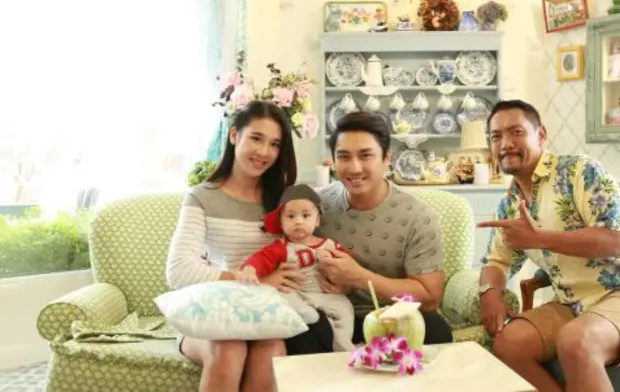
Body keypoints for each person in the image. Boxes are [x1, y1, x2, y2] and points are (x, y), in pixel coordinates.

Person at [477, 100, 620, 392]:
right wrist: (490, 293)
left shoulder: (580, 171)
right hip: (573, 306)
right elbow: (496, 261)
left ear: (541, 135)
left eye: (517, 132)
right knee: (509, 344)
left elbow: (615, 240)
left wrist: (539, 238)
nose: (506, 144)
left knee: (576, 340)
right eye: (496, 136)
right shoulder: (509, 203)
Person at [165, 101, 334, 392]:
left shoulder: (285, 202)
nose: (264, 152)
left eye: (275, 144)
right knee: (228, 350)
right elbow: (178, 271)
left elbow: (311, 246)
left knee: (272, 351)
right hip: (212, 310)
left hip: (265, 314)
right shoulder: (202, 197)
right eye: (256, 138)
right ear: (234, 135)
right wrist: (254, 281)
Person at [315, 111, 454, 345]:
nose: (354, 168)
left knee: (435, 328)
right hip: (330, 315)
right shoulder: (315, 208)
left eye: (366, 155)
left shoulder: (417, 216)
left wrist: (360, 278)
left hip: (393, 317)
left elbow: (430, 298)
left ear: (386, 157)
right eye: (344, 157)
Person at [235, 184, 355, 352]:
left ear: (317, 220)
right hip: (297, 294)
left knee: (345, 307)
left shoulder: (329, 245)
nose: (298, 221)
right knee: (281, 296)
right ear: (281, 223)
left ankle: (343, 341)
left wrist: (332, 262)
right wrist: (250, 269)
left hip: (326, 294)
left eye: (306, 215)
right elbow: (261, 258)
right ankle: (305, 313)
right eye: (291, 216)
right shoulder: (281, 247)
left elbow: (349, 266)